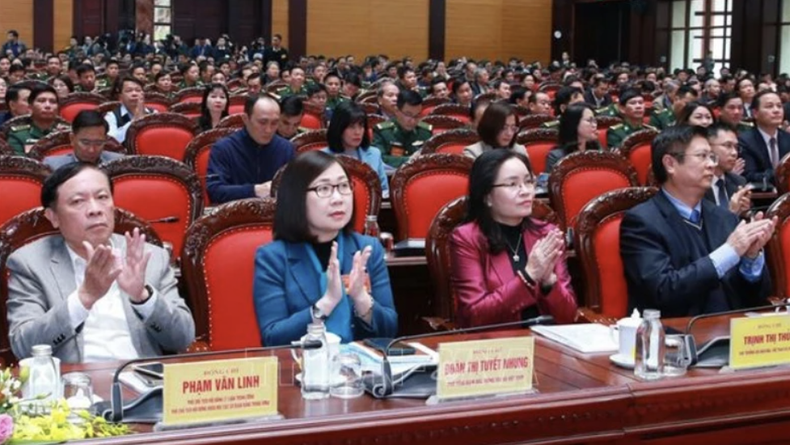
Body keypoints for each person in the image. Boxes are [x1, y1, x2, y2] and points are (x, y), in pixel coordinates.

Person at [6, 163, 195, 363]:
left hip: (144, 382)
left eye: (102, 197)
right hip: (72, 387)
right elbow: (24, 347)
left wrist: (143, 297)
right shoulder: (30, 263)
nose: (95, 209)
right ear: (53, 217)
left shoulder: (149, 257)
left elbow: (182, 339)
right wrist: (84, 297)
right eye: (78, 201)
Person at [620, 125, 773, 317]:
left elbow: (756, 298)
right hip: (676, 336)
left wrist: (750, 260)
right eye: (702, 156)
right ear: (670, 164)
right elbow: (662, 290)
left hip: (730, 332)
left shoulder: (723, 217)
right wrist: (729, 251)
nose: (711, 164)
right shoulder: (642, 221)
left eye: (712, 157)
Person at [253, 151, 397, 345]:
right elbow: (273, 338)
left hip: (362, 368)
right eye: (324, 189)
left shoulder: (367, 249)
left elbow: (390, 331)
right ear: (296, 198)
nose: (338, 198)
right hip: (304, 369)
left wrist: (362, 299)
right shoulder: (272, 258)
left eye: (344, 186)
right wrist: (326, 303)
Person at [449, 150, 577, 328]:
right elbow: (474, 317)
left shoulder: (547, 234)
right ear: (487, 196)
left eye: (528, 182)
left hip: (546, 345)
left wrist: (549, 283)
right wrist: (528, 276)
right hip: (496, 348)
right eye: (512, 184)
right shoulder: (467, 238)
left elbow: (569, 317)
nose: (525, 191)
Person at [206, 94, 295, 204]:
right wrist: (254, 190)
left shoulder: (286, 148)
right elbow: (214, 191)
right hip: (233, 217)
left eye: (274, 123)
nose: (268, 130)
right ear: (246, 119)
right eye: (262, 122)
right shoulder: (223, 148)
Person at [323, 101, 390, 197]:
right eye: (351, 127)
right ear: (339, 128)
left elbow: (384, 190)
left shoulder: (374, 154)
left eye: (361, 126)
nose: (357, 132)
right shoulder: (323, 157)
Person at [739, 90, 790, 186]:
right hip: (761, 197)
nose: (776, 110)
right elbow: (749, 176)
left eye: (779, 106)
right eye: (769, 106)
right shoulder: (745, 141)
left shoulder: (788, 138)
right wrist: (781, 173)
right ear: (755, 113)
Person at [372, 90, 433, 168]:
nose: (413, 120)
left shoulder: (425, 131)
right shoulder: (383, 131)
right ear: (397, 111)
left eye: (417, 115)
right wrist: (409, 160)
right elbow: (379, 158)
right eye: (408, 115)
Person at [43, 110, 124, 169]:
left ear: (106, 140)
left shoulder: (119, 163)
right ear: (72, 139)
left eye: (98, 143)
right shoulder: (53, 166)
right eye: (85, 143)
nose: (91, 150)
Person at [7, 85, 70, 155]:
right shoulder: (19, 135)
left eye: (53, 102)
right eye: (41, 101)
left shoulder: (67, 133)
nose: (48, 106)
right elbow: (18, 163)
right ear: (30, 106)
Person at [704, 122, 750, 215]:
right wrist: (731, 214)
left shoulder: (738, 182)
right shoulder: (696, 184)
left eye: (736, 147)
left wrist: (747, 215)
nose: (734, 153)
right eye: (728, 146)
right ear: (708, 146)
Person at [544, 103, 601, 173]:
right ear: (574, 123)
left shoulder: (597, 150)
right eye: (589, 121)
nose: (594, 125)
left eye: (595, 121)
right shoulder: (556, 157)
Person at [104, 76, 154, 144]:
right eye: (129, 90)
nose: (134, 94)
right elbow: (111, 142)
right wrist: (134, 121)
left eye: (138, 90)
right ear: (120, 97)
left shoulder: (154, 113)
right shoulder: (111, 116)